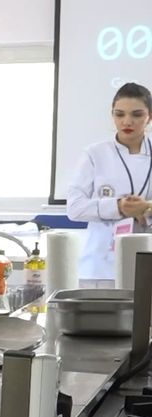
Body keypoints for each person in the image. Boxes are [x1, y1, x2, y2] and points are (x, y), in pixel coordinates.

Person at [66, 81, 152, 283]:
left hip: (147, 258)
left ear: (149, 116)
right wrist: (118, 207)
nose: (127, 122)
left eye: (137, 114)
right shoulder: (95, 154)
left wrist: (147, 208)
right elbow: (74, 208)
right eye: (119, 114)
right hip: (100, 265)